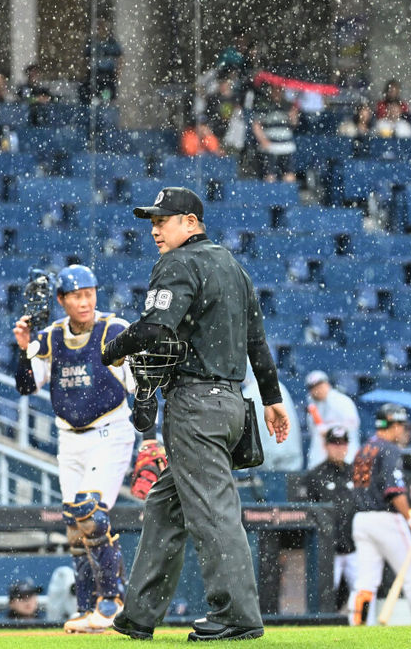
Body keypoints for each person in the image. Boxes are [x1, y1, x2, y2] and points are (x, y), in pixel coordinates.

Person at [98, 186, 290, 641]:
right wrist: (271, 397)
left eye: (162, 221)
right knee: (166, 504)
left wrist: (112, 349)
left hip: (196, 404)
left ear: (190, 221)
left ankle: (237, 615)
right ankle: (139, 613)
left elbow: (156, 328)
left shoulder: (179, 262)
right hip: (230, 404)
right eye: (152, 222)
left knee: (213, 512)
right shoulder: (233, 267)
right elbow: (256, 341)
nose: (154, 230)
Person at [12, 264, 137, 634]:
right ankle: (86, 607)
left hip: (109, 431)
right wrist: (23, 349)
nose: (85, 302)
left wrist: (149, 439)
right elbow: (26, 386)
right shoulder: (51, 337)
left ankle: (112, 601)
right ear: (61, 300)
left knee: (90, 511)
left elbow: (138, 383)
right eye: (76, 296)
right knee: (73, 525)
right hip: (70, 438)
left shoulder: (113, 331)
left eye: (89, 293)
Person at [348, 404, 411, 626]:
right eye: (402, 426)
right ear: (393, 425)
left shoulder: (363, 449)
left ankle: (357, 627)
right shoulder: (389, 449)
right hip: (385, 518)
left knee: (366, 581)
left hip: (361, 519)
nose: (404, 431)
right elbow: (393, 491)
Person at [304, 426, 358, 609]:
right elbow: (306, 514)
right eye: (334, 443)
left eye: (342, 444)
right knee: (323, 598)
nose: (339, 448)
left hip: (354, 547)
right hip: (327, 549)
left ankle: (366, 630)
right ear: (326, 446)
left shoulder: (356, 473)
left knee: (363, 594)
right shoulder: (315, 475)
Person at [303, 370, 360, 469]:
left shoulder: (343, 401)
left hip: (346, 457)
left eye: (319, 385)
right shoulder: (312, 407)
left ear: (327, 384)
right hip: (321, 461)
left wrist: (330, 431)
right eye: (313, 387)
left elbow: (353, 425)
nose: (317, 390)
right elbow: (315, 434)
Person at [251, 84, 298, 183]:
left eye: (280, 90)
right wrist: (263, 140)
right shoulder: (264, 105)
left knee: (289, 175)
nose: (277, 92)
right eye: (275, 89)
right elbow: (256, 125)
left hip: (286, 146)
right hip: (270, 146)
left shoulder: (288, 106)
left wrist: (293, 115)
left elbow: (293, 124)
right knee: (269, 176)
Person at [83, 18, 122, 102]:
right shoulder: (91, 43)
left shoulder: (112, 43)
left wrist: (118, 73)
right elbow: (85, 59)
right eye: (97, 28)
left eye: (102, 28)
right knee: (91, 98)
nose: (100, 31)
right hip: (94, 75)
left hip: (108, 76)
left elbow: (120, 58)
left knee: (106, 99)